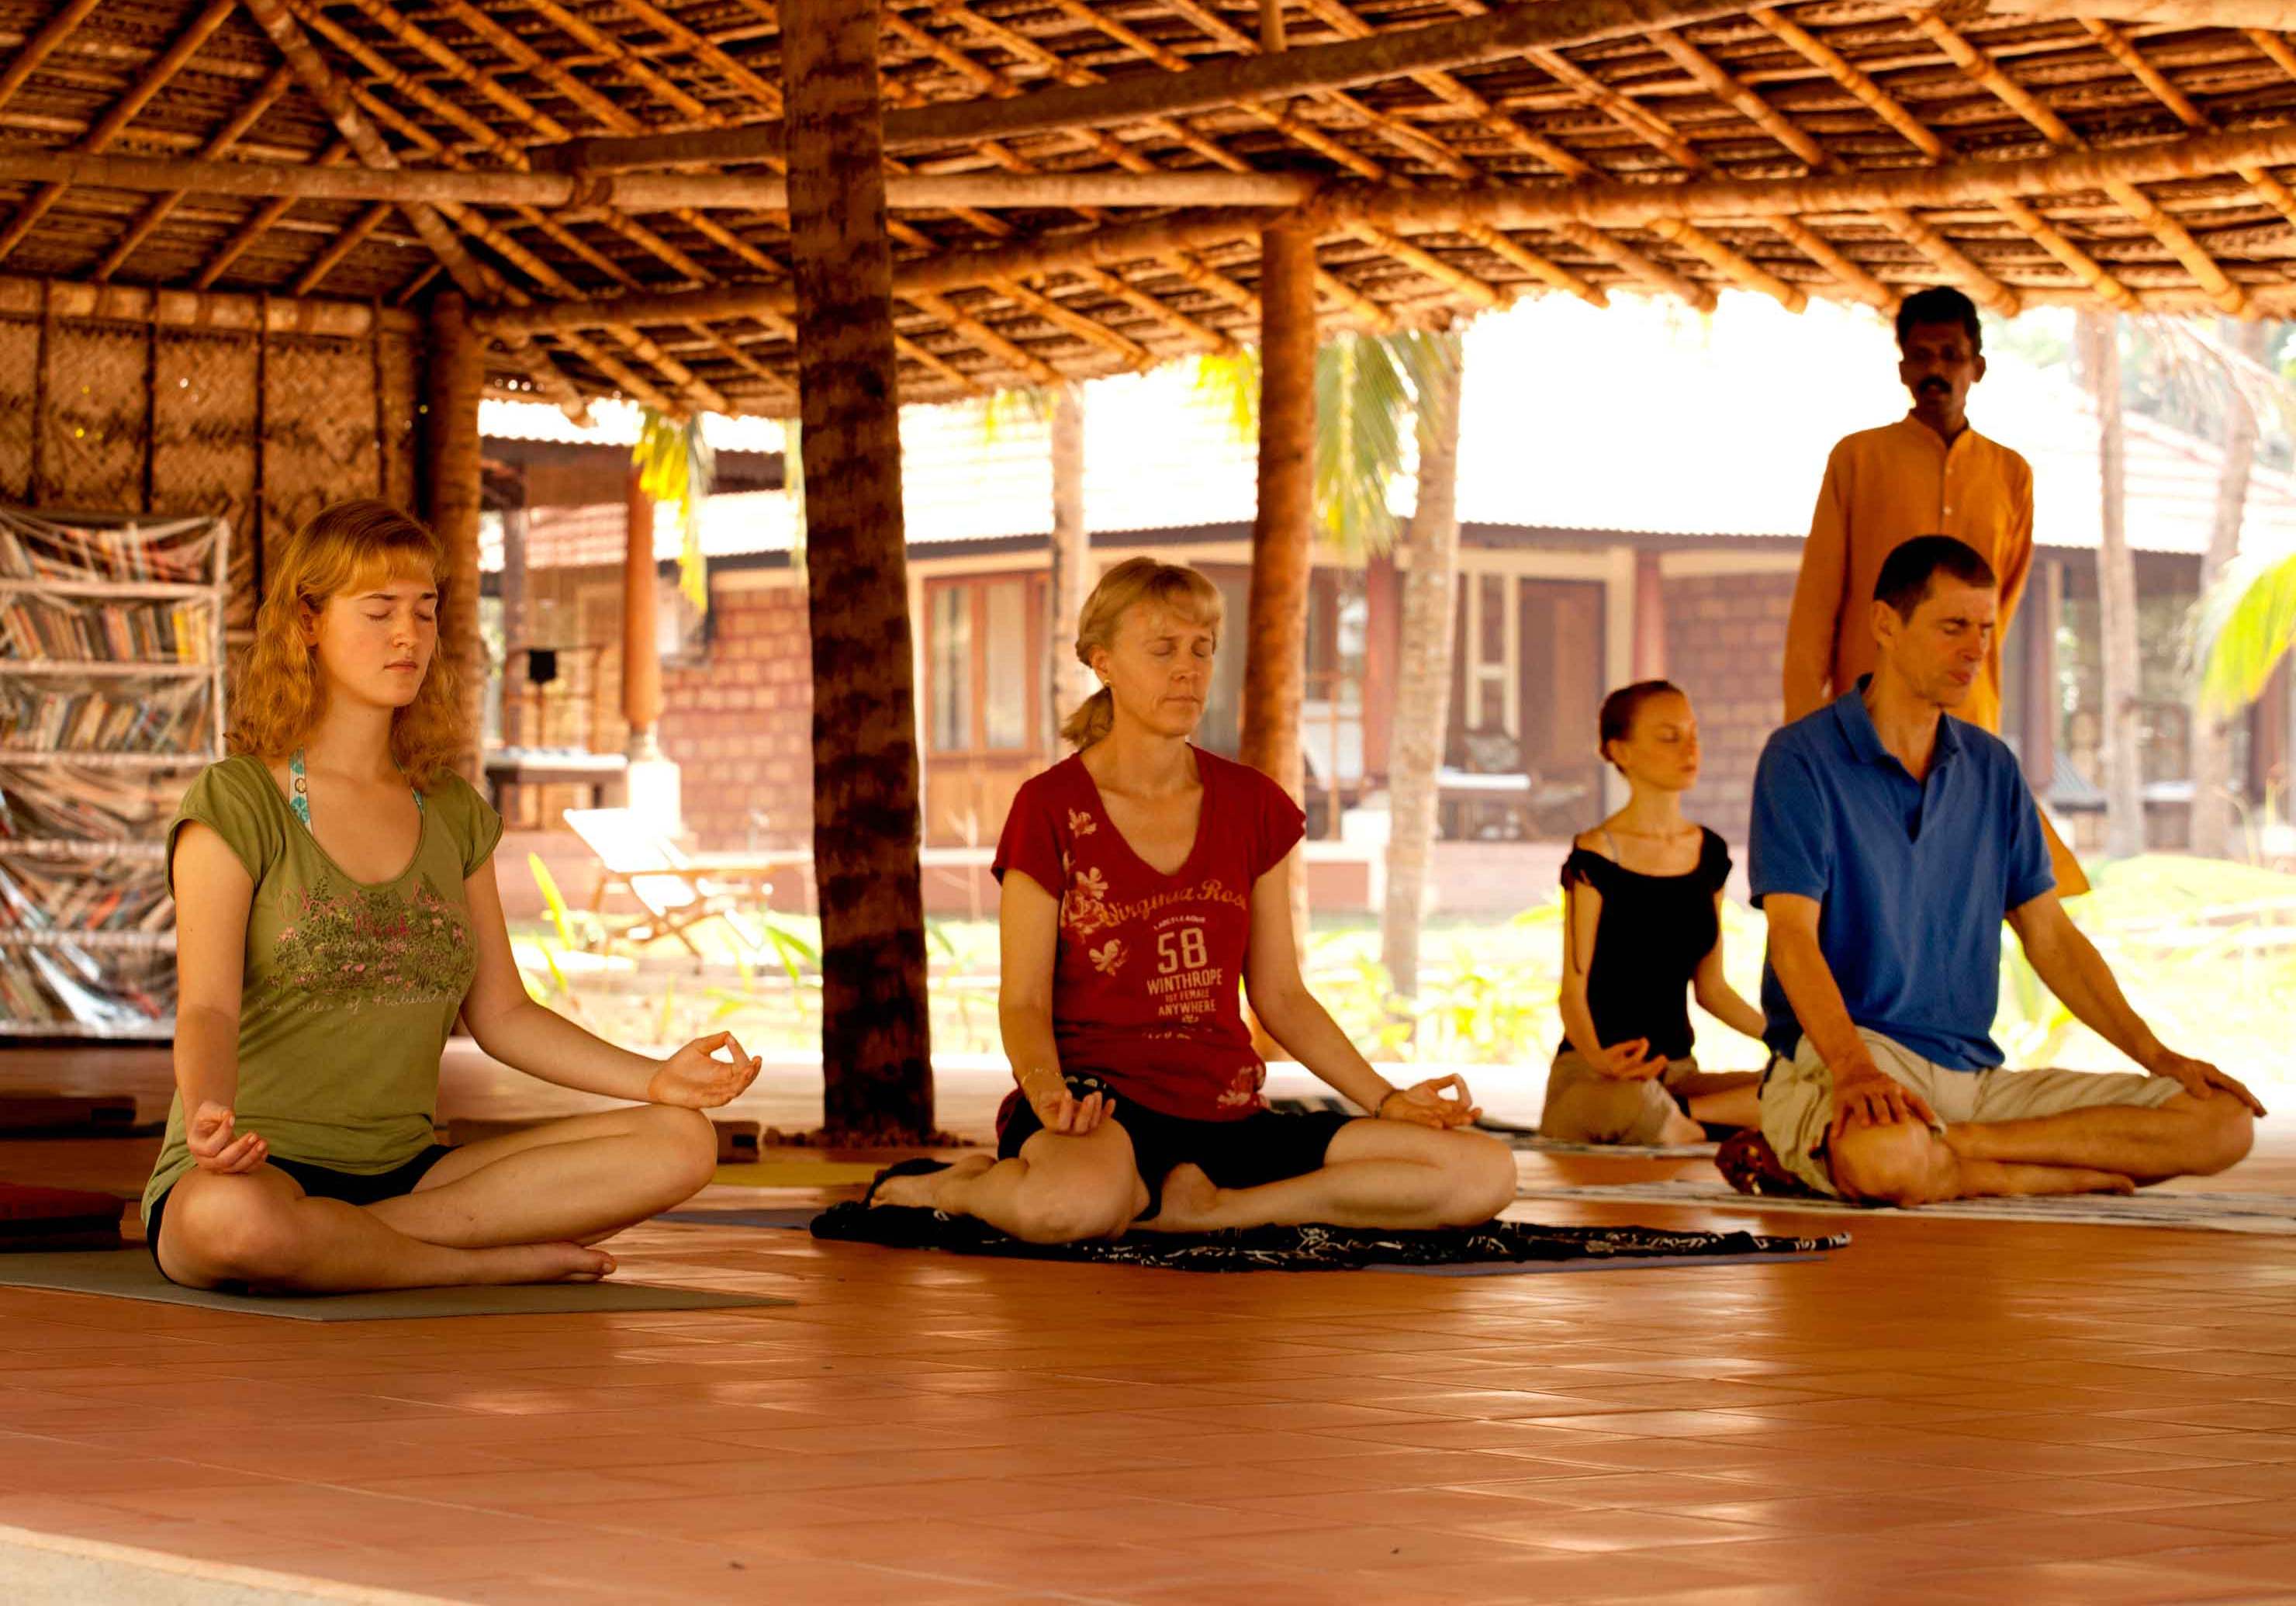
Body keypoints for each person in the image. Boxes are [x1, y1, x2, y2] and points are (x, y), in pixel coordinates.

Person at [144, 501, 761, 1293]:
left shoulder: (452, 810)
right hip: (255, 1173)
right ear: (307, 622)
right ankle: (479, 1261)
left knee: (680, 1142)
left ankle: (356, 1249)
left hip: (414, 1180)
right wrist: (208, 1117)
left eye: (424, 611)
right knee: (227, 1223)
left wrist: (654, 1080)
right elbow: (206, 1009)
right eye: (378, 612)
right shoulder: (240, 801)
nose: (408, 634)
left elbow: (502, 1015)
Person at [869, 557, 1518, 1238]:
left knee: (1483, 1172)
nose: (1188, 668)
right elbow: (1024, 1000)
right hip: (1097, 1111)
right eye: (1163, 650)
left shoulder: (1252, 805)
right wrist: (1047, 1093)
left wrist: (1385, 1100)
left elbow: (1282, 997)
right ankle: (964, 1186)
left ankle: (1217, 1209)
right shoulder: (1050, 808)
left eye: (1201, 649)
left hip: (1228, 1113)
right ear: (1104, 662)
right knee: (1067, 1209)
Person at [1749, 536, 2260, 1206]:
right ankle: (1994, 1165)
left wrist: (2159, 1059)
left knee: (2223, 1124)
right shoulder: (1802, 758)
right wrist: (1853, 1073)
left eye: (1986, 630)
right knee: (1884, 1157)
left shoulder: (1993, 768)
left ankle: (1962, 1154)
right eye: (1953, 627)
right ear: (1885, 624)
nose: (1975, 650)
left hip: (1976, 1081)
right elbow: (1792, 937)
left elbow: (2050, 937)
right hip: (1852, 1059)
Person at [1784, 285, 2085, 895]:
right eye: (1921, 357)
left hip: (1967, 723)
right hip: (1865, 725)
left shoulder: (2010, 475)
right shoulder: (1858, 459)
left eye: (1950, 355)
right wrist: (1802, 734)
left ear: (1977, 366)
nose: (1935, 370)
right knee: (1861, 892)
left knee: (1963, 892)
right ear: (1902, 370)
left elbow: (2000, 606)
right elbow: (1817, 601)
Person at [1543, 681, 1766, 1146]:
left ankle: (1684, 1125)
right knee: (1636, 1102)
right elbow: (1573, 993)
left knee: (1804, 1086)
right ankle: (1696, 1130)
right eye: (1669, 737)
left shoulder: (1709, 854)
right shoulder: (1596, 855)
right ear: (1620, 751)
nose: (1690, 749)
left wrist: (1795, 1042)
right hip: (1596, 1078)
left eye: (1693, 734)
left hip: (1678, 1079)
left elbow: (1713, 990)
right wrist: (1602, 1061)